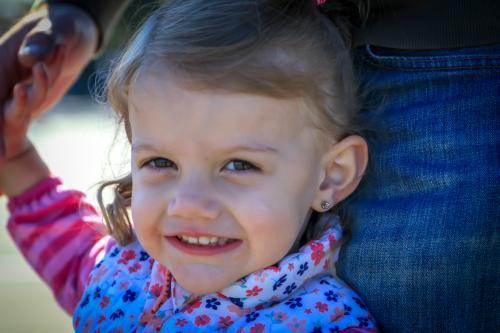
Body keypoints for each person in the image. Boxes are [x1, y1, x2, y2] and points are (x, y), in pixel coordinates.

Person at [2, 0, 498, 332]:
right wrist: (19, 160)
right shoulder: (129, 272)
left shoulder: (324, 322)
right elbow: (75, 260)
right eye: (160, 162)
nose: (190, 204)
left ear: (332, 175)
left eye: (238, 165)